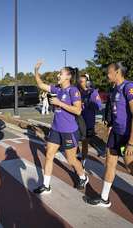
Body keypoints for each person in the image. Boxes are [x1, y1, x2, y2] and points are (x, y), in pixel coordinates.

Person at [85, 62, 133, 213]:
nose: (107, 74)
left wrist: (131, 142)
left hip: (128, 135)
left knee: (131, 166)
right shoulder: (114, 89)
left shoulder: (128, 86)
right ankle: (104, 198)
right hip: (116, 133)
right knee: (109, 163)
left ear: (118, 72)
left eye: (109, 71)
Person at [33, 60, 89, 194]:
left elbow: (78, 111)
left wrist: (60, 103)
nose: (58, 75)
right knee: (49, 155)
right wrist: (36, 71)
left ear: (68, 76)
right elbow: (40, 84)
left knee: (71, 160)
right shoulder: (57, 89)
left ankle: (83, 176)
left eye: (60, 73)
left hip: (69, 131)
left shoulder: (73, 90)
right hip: (55, 130)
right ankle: (46, 185)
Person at [77, 74, 102, 166]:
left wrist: (89, 103)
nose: (80, 83)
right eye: (79, 81)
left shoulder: (93, 93)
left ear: (88, 82)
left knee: (84, 142)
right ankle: (78, 153)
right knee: (74, 138)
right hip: (78, 121)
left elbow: (99, 106)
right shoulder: (78, 92)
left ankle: (83, 160)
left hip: (88, 122)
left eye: (82, 81)